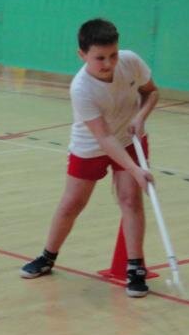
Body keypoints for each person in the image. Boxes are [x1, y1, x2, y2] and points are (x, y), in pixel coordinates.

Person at [20, 18, 159, 297]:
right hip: (91, 145)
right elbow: (104, 137)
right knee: (72, 203)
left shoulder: (130, 61)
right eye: (100, 58)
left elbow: (151, 92)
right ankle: (47, 256)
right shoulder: (81, 88)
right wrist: (135, 170)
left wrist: (141, 116)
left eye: (113, 55)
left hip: (128, 138)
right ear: (82, 55)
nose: (108, 64)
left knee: (130, 201)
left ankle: (135, 269)